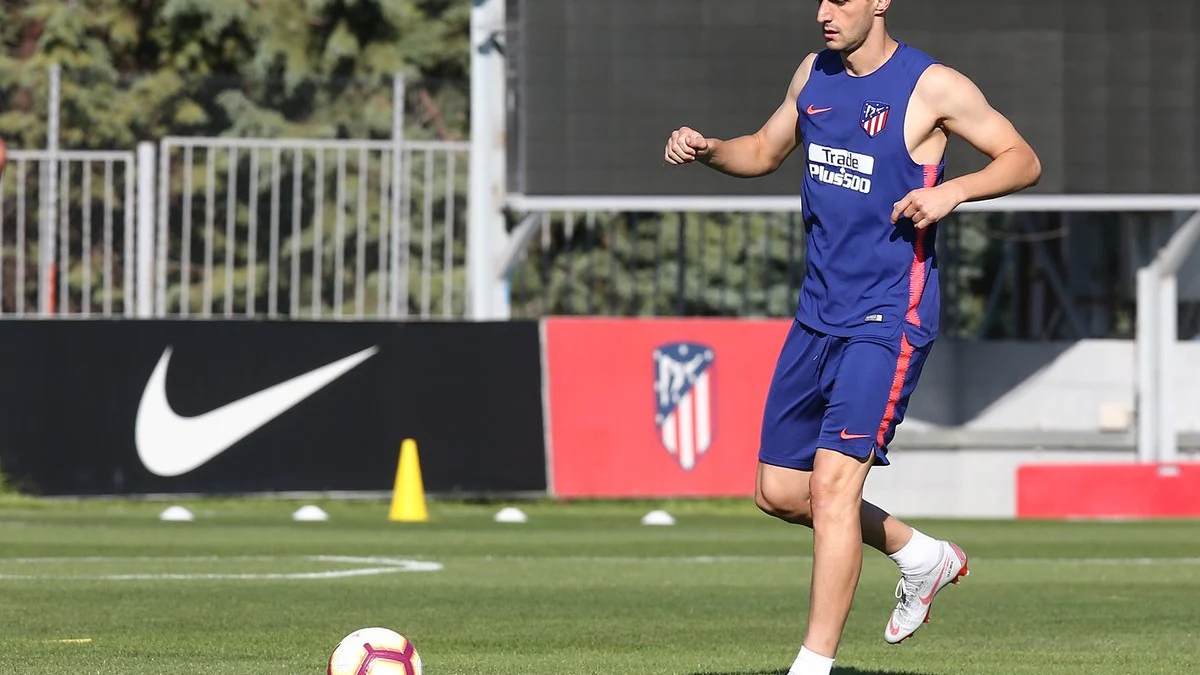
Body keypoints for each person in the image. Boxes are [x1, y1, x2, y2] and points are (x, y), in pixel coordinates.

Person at [662, 1, 1041, 674]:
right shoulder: (813, 74)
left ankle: (813, 665)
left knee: (834, 488)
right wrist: (711, 149)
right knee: (779, 491)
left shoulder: (932, 87)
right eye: (819, 0)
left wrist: (954, 191)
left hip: (888, 317)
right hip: (817, 315)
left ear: (880, 1)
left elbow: (1021, 159)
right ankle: (921, 554)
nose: (823, 12)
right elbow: (762, 150)